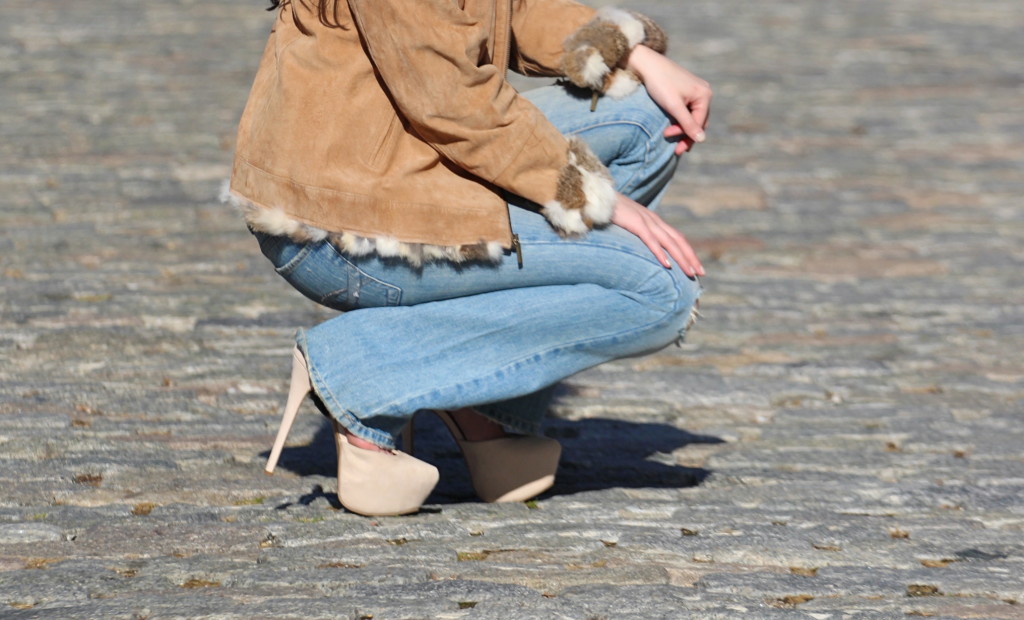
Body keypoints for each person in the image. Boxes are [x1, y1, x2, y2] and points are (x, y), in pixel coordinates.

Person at [227, 0, 711, 516]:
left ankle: (481, 404)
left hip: (409, 157)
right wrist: (590, 195)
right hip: (343, 223)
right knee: (659, 291)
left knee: (648, 119)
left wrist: (633, 53)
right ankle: (360, 371)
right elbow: (452, 101)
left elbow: (512, 11)